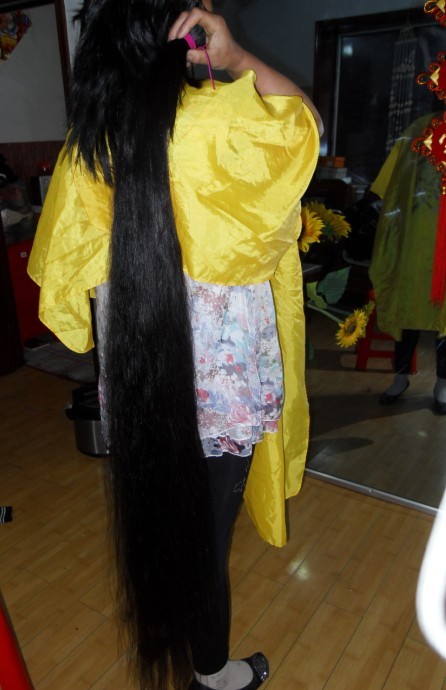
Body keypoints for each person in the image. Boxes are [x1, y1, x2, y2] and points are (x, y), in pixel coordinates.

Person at [27, 2, 322, 689]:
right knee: (206, 533)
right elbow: (305, 125)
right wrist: (237, 58)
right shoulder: (224, 124)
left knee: (162, 519)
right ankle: (210, 673)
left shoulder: (91, 144)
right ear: (186, 37)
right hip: (222, 387)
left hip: (140, 373)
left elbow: (64, 276)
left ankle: (192, 657)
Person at [369, 111, 446, 414]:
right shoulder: (419, 128)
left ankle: (443, 383)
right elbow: (394, 183)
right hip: (415, 238)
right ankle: (400, 377)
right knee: (407, 306)